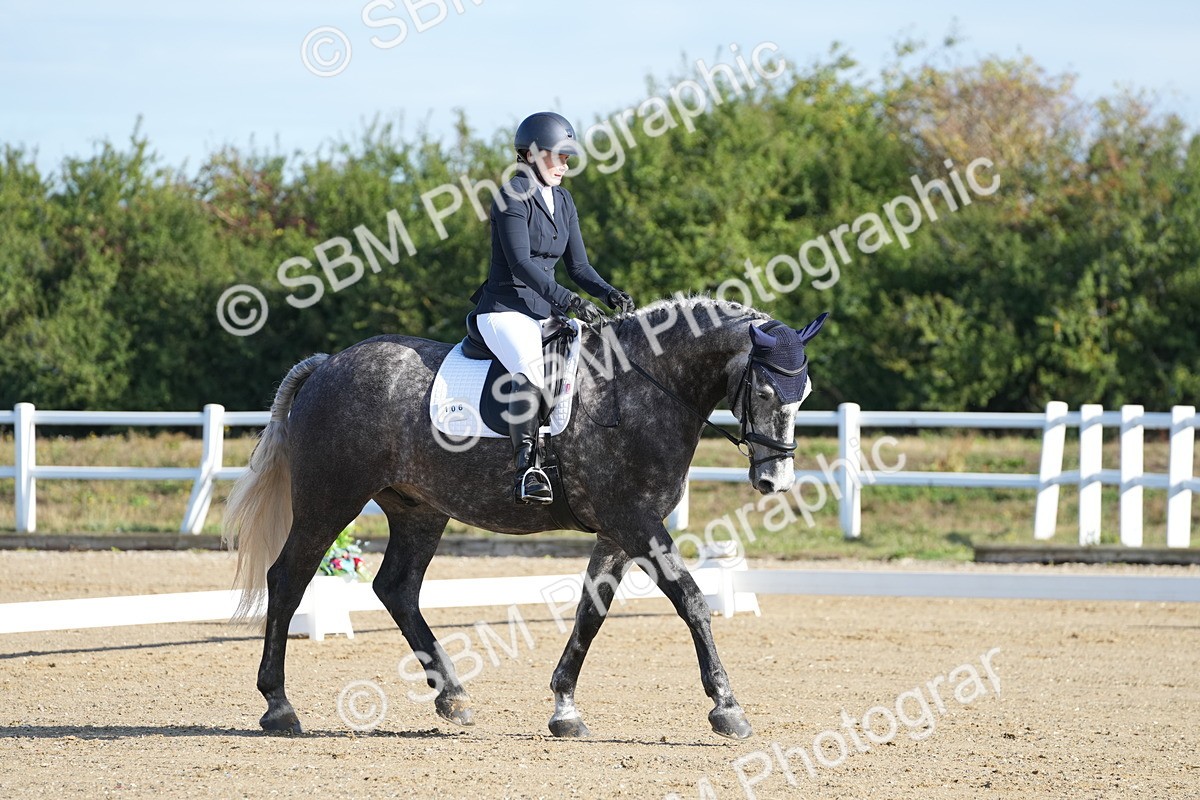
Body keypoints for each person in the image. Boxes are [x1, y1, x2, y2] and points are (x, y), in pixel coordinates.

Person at [467, 111, 635, 505]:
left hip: (546, 311)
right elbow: (521, 264)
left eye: (567, 157)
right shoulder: (511, 195)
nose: (565, 164)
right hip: (506, 310)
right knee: (530, 369)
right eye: (559, 156)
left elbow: (578, 266)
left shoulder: (563, 199)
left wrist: (608, 292)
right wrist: (570, 301)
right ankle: (527, 470)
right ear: (532, 154)